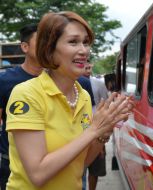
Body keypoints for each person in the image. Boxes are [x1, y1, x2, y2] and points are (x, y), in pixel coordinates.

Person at [5, 11, 133, 190]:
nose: (84, 50)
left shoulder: (84, 96)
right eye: (73, 42)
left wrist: (105, 129)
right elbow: (38, 174)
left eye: (86, 42)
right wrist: (94, 129)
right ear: (49, 49)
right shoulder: (27, 94)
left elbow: (81, 164)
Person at [0, 23, 43, 190]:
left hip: (52, 162)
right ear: (25, 47)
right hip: (10, 163)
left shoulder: (59, 81)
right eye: (41, 41)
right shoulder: (5, 81)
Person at [83, 62, 109, 190]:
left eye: (89, 68)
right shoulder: (72, 83)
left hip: (97, 129)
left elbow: (105, 103)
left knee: (95, 168)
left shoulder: (98, 83)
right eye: (85, 68)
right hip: (81, 130)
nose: (87, 70)